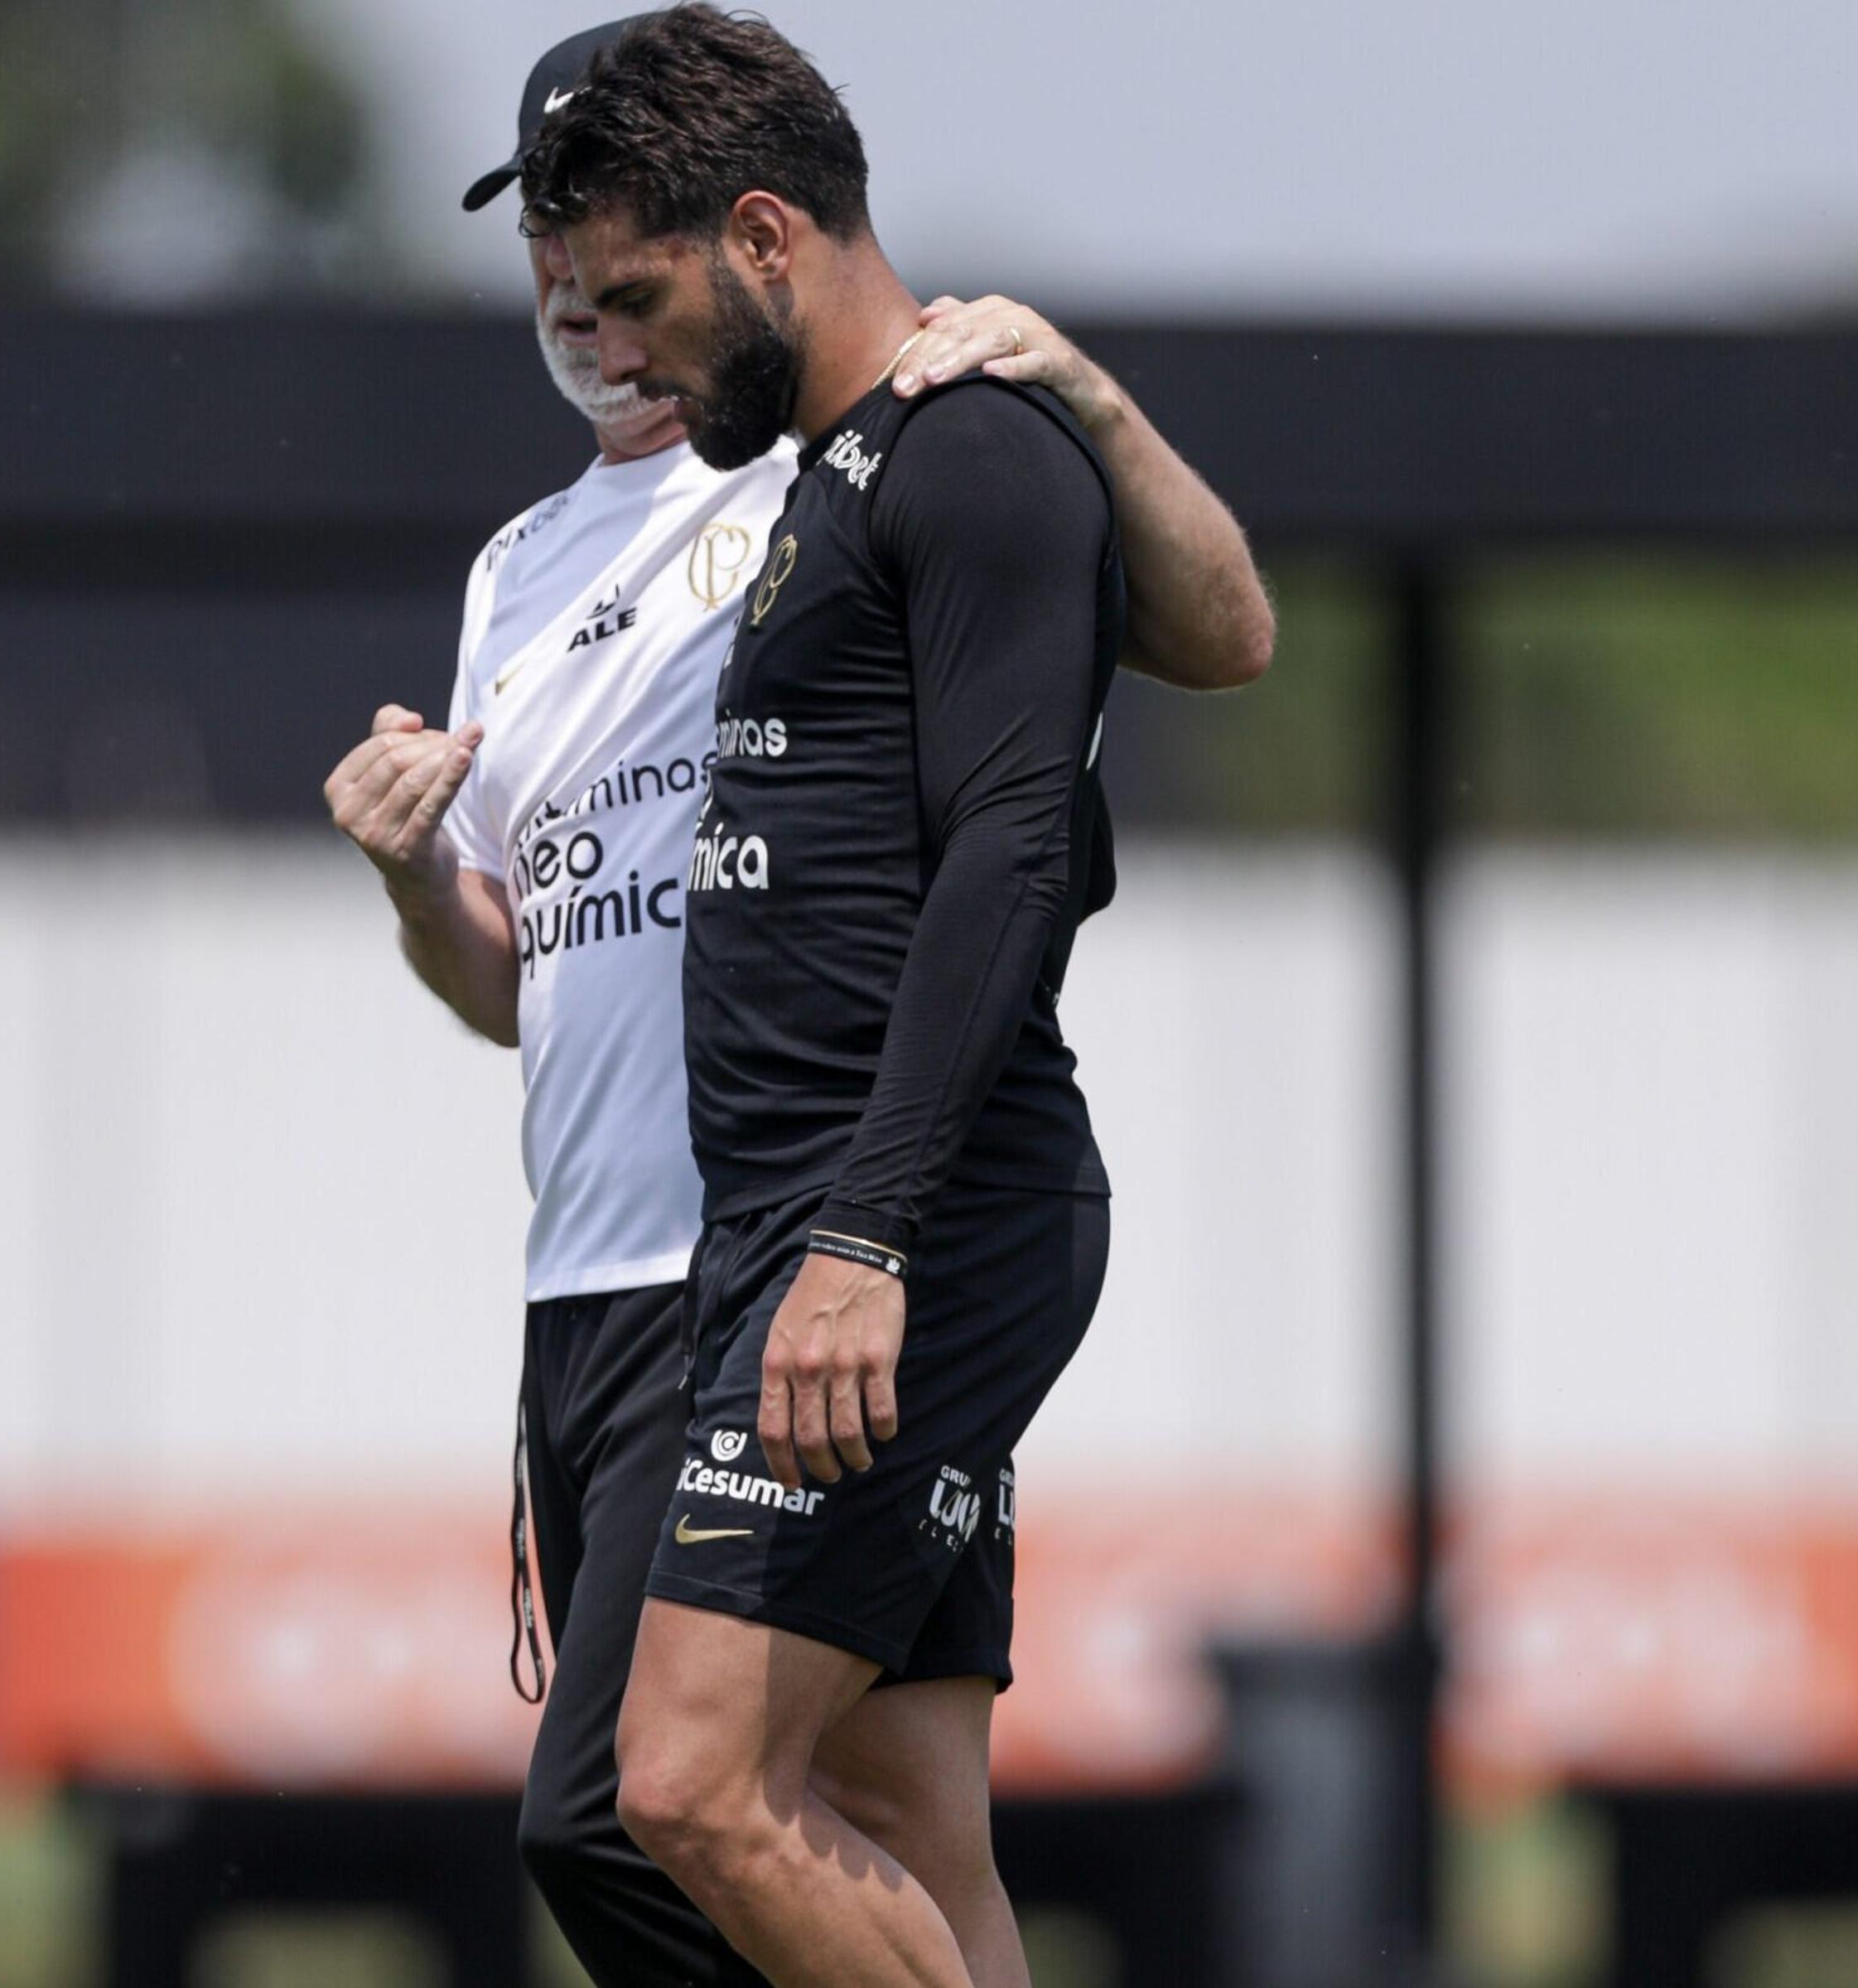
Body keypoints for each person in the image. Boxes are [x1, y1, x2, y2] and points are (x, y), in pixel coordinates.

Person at [322, 18, 1271, 1985]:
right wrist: (420, 872)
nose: (594, 319)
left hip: (801, 1243)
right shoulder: (523, 569)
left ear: (752, 240)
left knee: (645, 1809)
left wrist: (1075, 385)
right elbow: (526, 986)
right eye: (557, 276)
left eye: (630, 282)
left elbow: (1208, 644)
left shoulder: (856, 441)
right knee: (904, 1817)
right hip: (634, 1261)